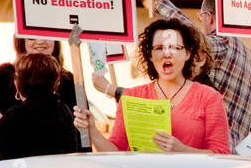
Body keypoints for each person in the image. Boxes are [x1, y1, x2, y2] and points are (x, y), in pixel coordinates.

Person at [75, 17, 231, 154]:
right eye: (159, 48)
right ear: (150, 56)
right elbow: (115, 153)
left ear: (187, 54)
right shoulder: (132, 97)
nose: (166, 54)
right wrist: (92, 130)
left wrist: (182, 150)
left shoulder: (209, 97)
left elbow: (221, 155)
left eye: (175, 48)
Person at [148, 0, 251, 146]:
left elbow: (195, 37)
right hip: (238, 151)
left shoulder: (224, 43)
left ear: (209, 17)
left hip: (219, 149)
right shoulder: (244, 50)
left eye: (201, 17)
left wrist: (161, 1)